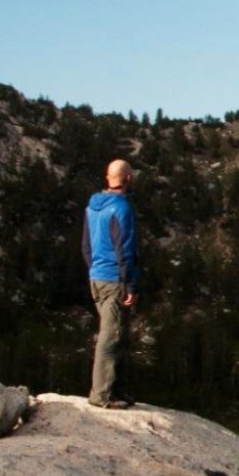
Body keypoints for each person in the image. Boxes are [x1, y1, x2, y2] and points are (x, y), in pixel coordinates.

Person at [82, 158, 140, 408]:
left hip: (97, 276)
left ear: (108, 178)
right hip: (114, 278)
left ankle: (117, 390)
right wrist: (130, 285)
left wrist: (94, 270)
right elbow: (124, 249)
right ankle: (102, 395)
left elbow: (85, 245)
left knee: (119, 334)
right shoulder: (121, 209)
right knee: (111, 337)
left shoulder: (92, 207)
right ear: (128, 178)